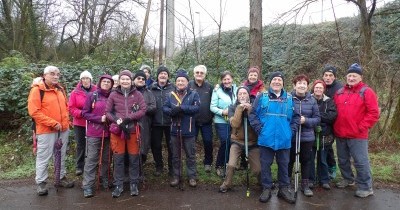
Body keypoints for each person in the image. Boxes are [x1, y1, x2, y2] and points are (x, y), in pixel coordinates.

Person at [249, 71, 298, 204]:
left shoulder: (289, 98)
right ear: (270, 82)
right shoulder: (262, 97)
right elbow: (252, 115)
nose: (277, 82)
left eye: (279, 80)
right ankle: (266, 188)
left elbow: (296, 118)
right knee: (265, 165)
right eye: (274, 80)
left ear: (283, 83)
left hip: (284, 139)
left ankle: (284, 189)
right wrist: (260, 129)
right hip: (266, 139)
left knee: (284, 165)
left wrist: (290, 131)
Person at [333, 63, 379, 198]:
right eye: (349, 75)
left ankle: (366, 186)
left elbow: (373, 113)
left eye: (354, 76)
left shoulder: (366, 91)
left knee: (360, 161)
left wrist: (362, 127)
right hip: (340, 133)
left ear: (360, 77)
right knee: (342, 160)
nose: (351, 78)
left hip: (357, 135)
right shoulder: (340, 92)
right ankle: (348, 179)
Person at [28, 66, 74, 196]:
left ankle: (61, 177)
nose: (55, 76)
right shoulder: (37, 90)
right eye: (52, 74)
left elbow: (65, 106)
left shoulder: (60, 89)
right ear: (45, 75)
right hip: (46, 130)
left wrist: (67, 122)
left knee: (61, 154)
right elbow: (34, 112)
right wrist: (52, 123)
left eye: (57, 74)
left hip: (63, 129)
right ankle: (41, 182)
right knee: (44, 157)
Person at [106, 70, 146, 198]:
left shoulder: (137, 94)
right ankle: (119, 184)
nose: (125, 81)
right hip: (117, 131)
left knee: (134, 158)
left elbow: (143, 109)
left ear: (131, 80)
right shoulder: (113, 95)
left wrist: (130, 118)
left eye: (127, 79)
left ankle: (134, 183)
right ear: (119, 80)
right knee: (118, 159)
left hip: (133, 129)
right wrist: (118, 121)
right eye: (123, 79)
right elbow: (108, 112)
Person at [219, 86, 260, 193]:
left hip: (252, 143)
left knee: (257, 169)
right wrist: (239, 109)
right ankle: (226, 184)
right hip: (237, 141)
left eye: (244, 93)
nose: (242, 96)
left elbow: (257, 122)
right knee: (231, 165)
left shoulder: (255, 106)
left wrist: (250, 109)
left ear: (248, 95)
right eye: (240, 94)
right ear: (237, 96)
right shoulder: (232, 107)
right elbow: (235, 124)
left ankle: (263, 183)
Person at [163, 69, 200, 187]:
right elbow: (165, 108)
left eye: (182, 80)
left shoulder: (193, 94)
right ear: (175, 82)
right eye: (178, 80)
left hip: (188, 130)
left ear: (187, 82)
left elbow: (196, 108)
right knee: (175, 155)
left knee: (190, 155)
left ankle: (192, 177)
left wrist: (182, 108)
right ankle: (176, 176)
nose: (180, 83)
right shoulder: (170, 95)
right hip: (174, 129)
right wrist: (172, 112)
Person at [81, 75, 114, 198]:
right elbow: (84, 113)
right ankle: (88, 185)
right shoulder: (92, 95)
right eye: (104, 81)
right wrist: (99, 119)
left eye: (108, 82)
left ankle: (104, 178)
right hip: (94, 132)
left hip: (109, 132)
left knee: (106, 158)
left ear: (111, 84)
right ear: (100, 83)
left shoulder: (113, 96)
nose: (106, 83)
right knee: (92, 159)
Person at [288, 74, 320, 197]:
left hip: (307, 137)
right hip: (292, 136)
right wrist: (294, 122)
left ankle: (305, 185)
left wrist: (305, 120)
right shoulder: (288, 98)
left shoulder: (312, 100)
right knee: (289, 160)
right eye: (299, 83)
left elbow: (317, 119)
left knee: (306, 160)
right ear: (294, 85)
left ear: (307, 86)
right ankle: (287, 183)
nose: (301, 85)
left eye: (304, 84)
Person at [309, 80, 337, 190]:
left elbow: (332, 116)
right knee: (310, 159)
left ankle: (324, 180)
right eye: (316, 87)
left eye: (320, 88)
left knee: (323, 159)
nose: (318, 90)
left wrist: (316, 117)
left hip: (325, 135)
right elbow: (306, 114)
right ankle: (310, 179)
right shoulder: (308, 99)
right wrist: (321, 117)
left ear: (324, 89)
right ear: (313, 88)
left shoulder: (329, 101)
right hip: (310, 134)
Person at [68, 70, 97, 176]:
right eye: (83, 78)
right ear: (81, 80)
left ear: (90, 79)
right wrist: (82, 113)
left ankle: (92, 164)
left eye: (87, 78)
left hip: (93, 122)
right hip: (80, 122)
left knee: (93, 144)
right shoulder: (75, 92)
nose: (85, 80)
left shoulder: (96, 90)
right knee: (81, 144)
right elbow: (71, 108)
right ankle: (79, 166)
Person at [210, 71, 238, 177]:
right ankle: (219, 165)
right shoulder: (217, 91)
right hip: (221, 121)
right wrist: (222, 112)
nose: (227, 81)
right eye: (224, 79)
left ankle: (228, 165)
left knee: (233, 143)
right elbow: (212, 107)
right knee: (225, 141)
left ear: (232, 79)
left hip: (234, 121)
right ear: (222, 80)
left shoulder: (237, 89)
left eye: (228, 79)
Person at [149, 66, 176, 176]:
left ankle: (171, 167)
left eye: (165, 73)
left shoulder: (173, 88)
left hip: (170, 122)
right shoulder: (151, 88)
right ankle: (159, 166)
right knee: (156, 145)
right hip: (155, 122)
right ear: (158, 76)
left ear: (168, 76)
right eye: (161, 73)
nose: (163, 75)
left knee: (172, 146)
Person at [188, 65, 214, 173]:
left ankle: (208, 162)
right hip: (192, 121)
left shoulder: (210, 87)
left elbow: (214, 101)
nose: (199, 74)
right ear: (194, 74)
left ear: (205, 74)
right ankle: (191, 163)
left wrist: (211, 116)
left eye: (201, 73)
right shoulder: (188, 85)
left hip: (206, 121)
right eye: (197, 72)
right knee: (191, 143)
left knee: (208, 142)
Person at [322, 65, 343, 179]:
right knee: (322, 147)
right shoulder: (320, 86)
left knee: (328, 147)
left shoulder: (339, 88)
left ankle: (332, 168)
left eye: (330, 75)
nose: (328, 78)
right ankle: (322, 170)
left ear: (334, 77)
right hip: (322, 122)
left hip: (334, 122)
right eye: (326, 75)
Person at [132, 70, 156, 164]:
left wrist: (141, 109)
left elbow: (153, 108)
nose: (141, 80)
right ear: (134, 80)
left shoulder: (149, 93)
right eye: (138, 78)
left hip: (145, 122)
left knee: (143, 145)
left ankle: (140, 168)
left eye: (143, 79)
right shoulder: (129, 92)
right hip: (131, 123)